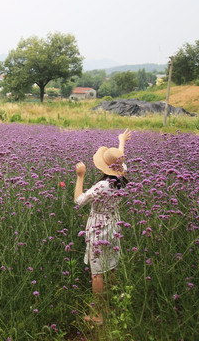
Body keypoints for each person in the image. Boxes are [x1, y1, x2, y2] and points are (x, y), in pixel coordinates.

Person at [74, 129, 132, 325]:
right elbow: (121, 161)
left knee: (97, 272)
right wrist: (121, 141)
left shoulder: (102, 186)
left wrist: (80, 176)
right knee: (112, 266)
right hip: (114, 224)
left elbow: (79, 200)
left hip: (98, 228)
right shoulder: (122, 177)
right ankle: (113, 304)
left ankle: (99, 314)